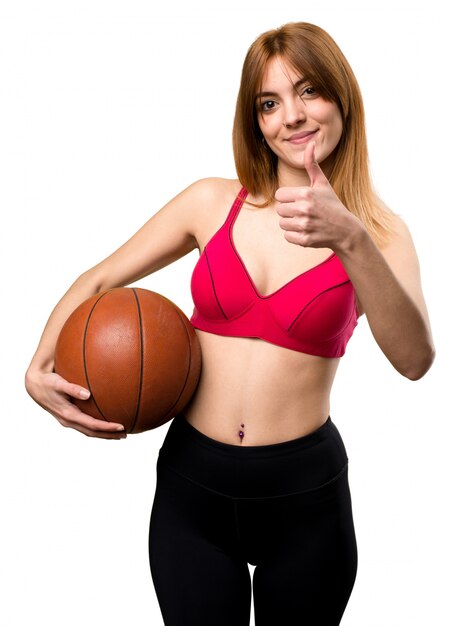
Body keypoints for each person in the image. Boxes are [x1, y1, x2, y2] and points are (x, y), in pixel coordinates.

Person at [25, 21, 435, 626]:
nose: (291, 116)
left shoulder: (379, 232)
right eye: (269, 103)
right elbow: (99, 279)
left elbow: (415, 360)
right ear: (255, 121)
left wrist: (351, 238)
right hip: (194, 488)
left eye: (309, 91)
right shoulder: (211, 202)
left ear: (342, 97)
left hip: (306, 500)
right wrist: (37, 368)